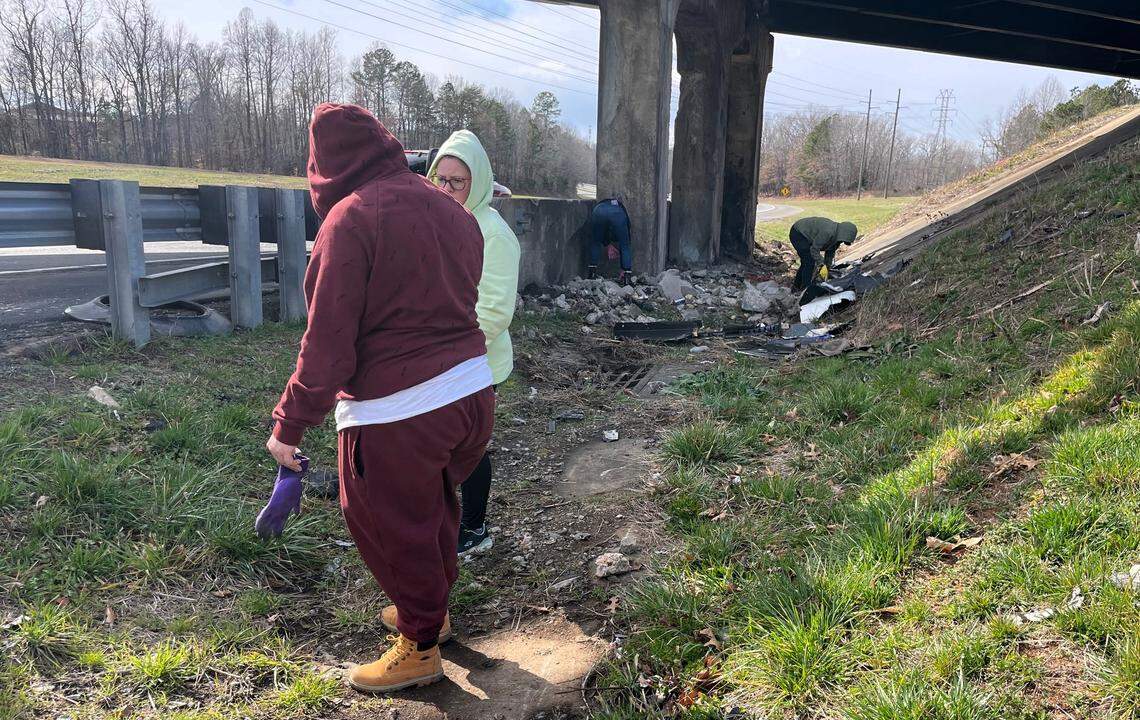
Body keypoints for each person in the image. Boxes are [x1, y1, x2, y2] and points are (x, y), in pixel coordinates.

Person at [265, 103, 494, 694]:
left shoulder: (350, 220)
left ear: (324, 168)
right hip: (472, 392)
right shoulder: (447, 207)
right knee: (434, 508)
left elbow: (328, 344)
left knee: (390, 523)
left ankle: (419, 648)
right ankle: (432, 613)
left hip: (401, 409)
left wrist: (289, 424)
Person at [426, 130, 521, 557]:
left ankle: (475, 528)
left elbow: (495, 312)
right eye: (439, 180)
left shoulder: (494, 235)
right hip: (434, 357)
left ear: (478, 182)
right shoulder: (432, 221)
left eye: (457, 182)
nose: (446, 190)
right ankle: (442, 522)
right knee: (440, 443)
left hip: (475, 362)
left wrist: (443, 348)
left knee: (467, 447)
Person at [789, 216, 858, 290]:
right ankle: (806, 288)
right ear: (843, 233)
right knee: (809, 261)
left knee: (806, 263)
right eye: (843, 240)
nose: (842, 242)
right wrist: (821, 264)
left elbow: (830, 253)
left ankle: (796, 286)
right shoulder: (828, 232)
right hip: (798, 233)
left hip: (806, 236)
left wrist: (827, 268)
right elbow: (814, 249)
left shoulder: (837, 237)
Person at [588, 196, 633, 283]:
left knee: (595, 242)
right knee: (625, 245)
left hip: (598, 211)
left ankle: (591, 274)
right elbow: (627, 231)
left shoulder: (601, 205)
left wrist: (607, 244)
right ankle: (626, 276)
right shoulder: (620, 208)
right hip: (617, 214)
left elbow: (600, 233)